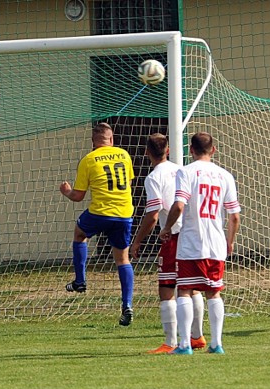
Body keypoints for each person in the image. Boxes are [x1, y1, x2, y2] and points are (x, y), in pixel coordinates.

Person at [159, 132, 240, 355]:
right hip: (216, 242)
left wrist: (167, 229)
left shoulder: (185, 172)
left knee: (185, 289)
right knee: (214, 292)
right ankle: (217, 343)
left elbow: (179, 205)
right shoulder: (225, 175)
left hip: (191, 242)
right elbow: (234, 216)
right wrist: (229, 242)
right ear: (213, 150)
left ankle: (184, 344)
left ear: (191, 150)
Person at [130, 133, 206, 353]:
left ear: (146, 152)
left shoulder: (154, 177)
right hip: (193, 234)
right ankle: (197, 336)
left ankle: (170, 342)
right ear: (169, 150)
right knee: (191, 287)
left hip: (174, 236)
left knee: (166, 289)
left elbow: (153, 215)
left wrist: (137, 242)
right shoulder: (181, 170)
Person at [60, 122, 136, 326]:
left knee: (79, 234)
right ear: (111, 140)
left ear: (93, 141)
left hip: (100, 212)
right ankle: (127, 305)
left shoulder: (89, 160)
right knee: (122, 259)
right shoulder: (124, 155)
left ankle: (80, 281)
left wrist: (66, 191)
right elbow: (128, 184)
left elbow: (78, 196)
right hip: (124, 213)